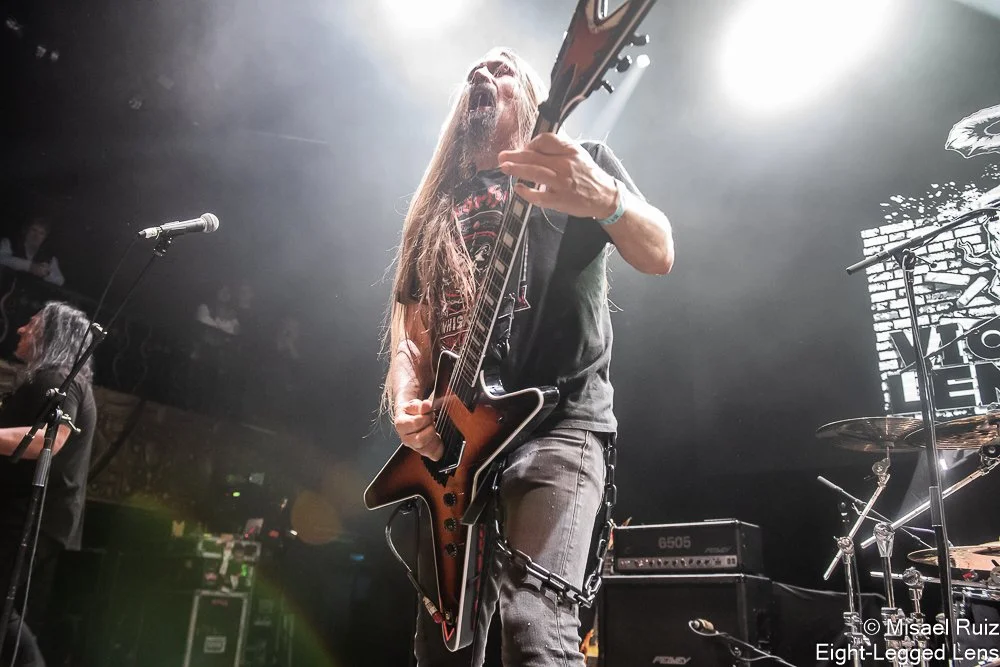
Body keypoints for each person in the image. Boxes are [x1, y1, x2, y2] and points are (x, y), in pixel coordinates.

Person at [381, 48, 674, 666]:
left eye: (502, 69)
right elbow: (412, 334)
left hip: (558, 426)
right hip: (456, 454)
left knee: (535, 625)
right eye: (475, 70)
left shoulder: (576, 165)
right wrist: (407, 403)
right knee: (441, 653)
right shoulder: (435, 210)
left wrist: (608, 200)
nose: (481, 75)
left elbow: (659, 252)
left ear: (538, 97)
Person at [0, 302, 97, 667]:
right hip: (28, 512)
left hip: (30, 514)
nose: (21, 329)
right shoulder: (54, 380)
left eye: (32, 323)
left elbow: (48, 440)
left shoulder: (58, 378)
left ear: (52, 333)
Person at [0, 217, 66, 287]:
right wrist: (29, 266)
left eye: (41, 233)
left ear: (44, 238)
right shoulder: (9, 242)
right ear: (26, 231)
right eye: (34, 230)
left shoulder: (49, 257)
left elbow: (60, 281)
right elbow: (2, 258)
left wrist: (47, 273)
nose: (36, 236)